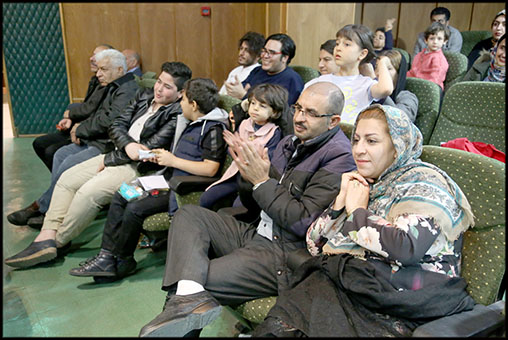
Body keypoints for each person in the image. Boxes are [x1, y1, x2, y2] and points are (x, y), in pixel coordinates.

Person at [138, 81, 357, 337]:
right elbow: (261, 200)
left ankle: (187, 298)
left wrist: (262, 181)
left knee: (193, 282)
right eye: (298, 109)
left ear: (333, 121)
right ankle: (189, 298)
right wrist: (248, 176)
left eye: (311, 113)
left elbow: (301, 222)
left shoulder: (339, 158)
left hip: (283, 252)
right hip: (258, 231)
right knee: (189, 215)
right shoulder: (292, 142)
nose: (299, 118)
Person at [252, 104, 476, 337]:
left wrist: (358, 212)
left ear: (397, 148)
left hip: (405, 300)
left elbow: (406, 248)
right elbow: (315, 244)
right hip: (355, 286)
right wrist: (340, 204)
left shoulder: (426, 183)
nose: (358, 150)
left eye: (371, 141)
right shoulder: (367, 183)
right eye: (356, 140)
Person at [4, 62, 193, 269]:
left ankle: (57, 241)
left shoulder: (176, 114)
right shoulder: (145, 95)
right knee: (67, 178)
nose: (159, 88)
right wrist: (126, 145)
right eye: (159, 81)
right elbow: (116, 125)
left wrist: (117, 155)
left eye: (167, 87)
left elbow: (145, 151)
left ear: (180, 93)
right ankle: (46, 234)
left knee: (88, 193)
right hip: (116, 154)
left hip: (138, 169)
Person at [66, 77, 229, 280]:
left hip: (182, 190)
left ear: (194, 105)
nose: (180, 104)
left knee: (135, 208)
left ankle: (124, 259)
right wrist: (163, 157)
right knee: (123, 193)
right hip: (167, 179)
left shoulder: (212, 129)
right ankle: (106, 256)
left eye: (183, 100)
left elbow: (210, 169)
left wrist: (173, 160)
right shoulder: (190, 122)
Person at [7, 49, 139, 229]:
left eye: (104, 69)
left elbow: (109, 121)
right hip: (94, 138)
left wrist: (80, 129)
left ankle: (43, 207)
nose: (98, 73)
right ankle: (56, 206)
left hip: (107, 144)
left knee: (69, 162)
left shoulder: (128, 89)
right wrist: (77, 125)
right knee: (60, 154)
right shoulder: (110, 84)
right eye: (98, 69)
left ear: (119, 69)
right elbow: (92, 110)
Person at [199, 83, 287, 210]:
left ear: (274, 112)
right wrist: (233, 148)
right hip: (235, 173)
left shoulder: (274, 132)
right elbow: (232, 153)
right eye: (253, 104)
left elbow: (268, 160)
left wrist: (240, 148)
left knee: (239, 208)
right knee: (206, 198)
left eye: (262, 106)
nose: (255, 109)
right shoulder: (245, 123)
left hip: (252, 179)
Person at [32, 44, 113, 171]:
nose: (91, 58)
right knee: (39, 143)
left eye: (97, 56)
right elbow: (87, 107)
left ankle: (61, 180)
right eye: (93, 55)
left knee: (53, 152)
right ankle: (58, 179)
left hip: (91, 134)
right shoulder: (95, 80)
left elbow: (96, 113)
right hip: (82, 126)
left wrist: (73, 120)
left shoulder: (109, 85)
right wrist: (70, 117)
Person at [305, 24, 394, 124]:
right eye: (337, 43)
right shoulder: (321, 81)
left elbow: (386, 89)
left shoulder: (365, 84)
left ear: (362, 54)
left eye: (346, 44)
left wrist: (382, 62)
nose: (338, 48)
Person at [225, 33, 304, 105]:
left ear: (285, 58)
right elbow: (241, 88)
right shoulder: (257, 70)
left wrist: (244, 95)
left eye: (271, 53)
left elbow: (280, 111)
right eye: (264, 51)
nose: (265, 56)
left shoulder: (292, 80)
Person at [363, 49, 418, 122]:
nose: (379, 73)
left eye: (388, 68)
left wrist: (375, 82)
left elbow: (400, 121)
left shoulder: (408, 97)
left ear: (399, 74)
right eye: (377, 67)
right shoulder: (367, 91)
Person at [220, 31, 265, 96]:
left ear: (258, 55)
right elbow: (221, 94)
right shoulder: (235, 71)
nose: (241, 53)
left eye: (247, 50)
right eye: (241, 49)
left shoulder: (258, 73)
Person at [407, 22, 450, 90]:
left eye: (439, 39)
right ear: (426, 40)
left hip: (430, 90)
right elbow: (412, 72)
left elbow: (435, 80)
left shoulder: (439, 59)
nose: (435, 42)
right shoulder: (419, 55)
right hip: (415, 85)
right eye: (432, 38)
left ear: (445, 41)